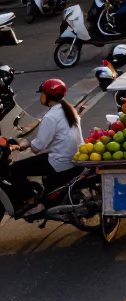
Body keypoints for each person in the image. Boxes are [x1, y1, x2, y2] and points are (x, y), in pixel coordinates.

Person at [9, 78, 83, 208]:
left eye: (42, 93)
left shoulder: (50, 117)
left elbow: (38, 147)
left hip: (61, 161)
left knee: (15, 169)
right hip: (76, 158)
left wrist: (25, 145)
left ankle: (29, 200)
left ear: (47, 96)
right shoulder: (70, 110)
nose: (41, 97)